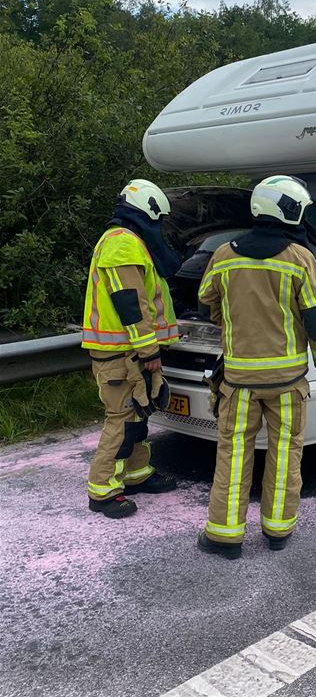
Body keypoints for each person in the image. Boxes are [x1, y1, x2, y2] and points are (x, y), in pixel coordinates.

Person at [197, 175, 316, 560]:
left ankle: (225, 536)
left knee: (233, 452)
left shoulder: (224, 255)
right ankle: (277, 530)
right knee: (285, 451)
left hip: (239, 382)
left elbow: (206, 300)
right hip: (288, 382)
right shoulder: (299, 259)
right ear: (288, 211)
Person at [81, 179, 181, 518]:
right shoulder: (122, 243)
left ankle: (137, 473)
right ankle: (102, 490)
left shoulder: (130, 241)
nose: (160, 226)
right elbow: (130, 302)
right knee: (121, 419)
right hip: (122, 353)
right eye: (159, 219)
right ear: (149, 210)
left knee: (139, 413)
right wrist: (149, 349)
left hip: (131, 350)